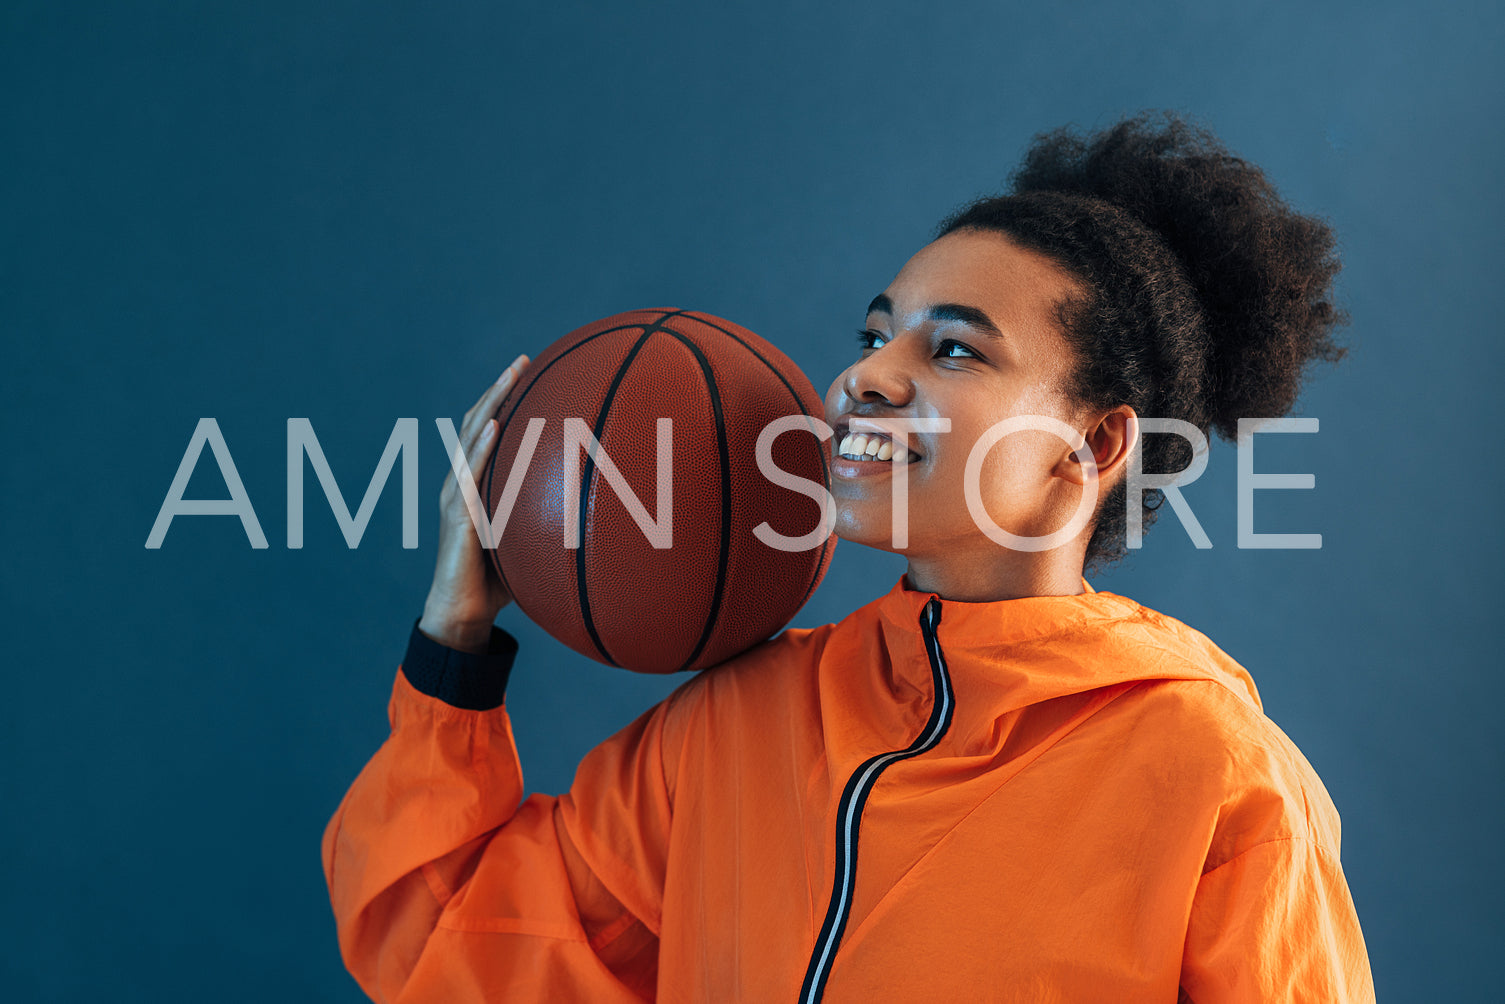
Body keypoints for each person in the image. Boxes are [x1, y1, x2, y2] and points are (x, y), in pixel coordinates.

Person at [322, 112, 1376, 1002]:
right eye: (877, 332)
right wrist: (452, 642)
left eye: (952, 346)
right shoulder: (732, 726)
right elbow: (443, 951)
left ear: (1093, 444)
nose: (865, 375)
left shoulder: (1211, 770)